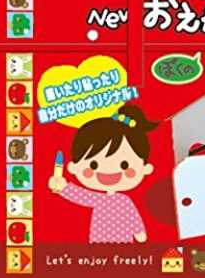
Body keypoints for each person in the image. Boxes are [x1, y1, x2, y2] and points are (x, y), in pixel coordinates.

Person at [48, 104, 158, 244]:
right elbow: (82, 196)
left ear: (144, 168)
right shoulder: (99, 200)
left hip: (124, 246)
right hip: (99, 246)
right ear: (75, 167)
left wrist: (139, 231)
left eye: (124, 165)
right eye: (93, 165)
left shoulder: (124, 201)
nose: (108, 171)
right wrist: (63, 187)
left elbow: (133, 217)